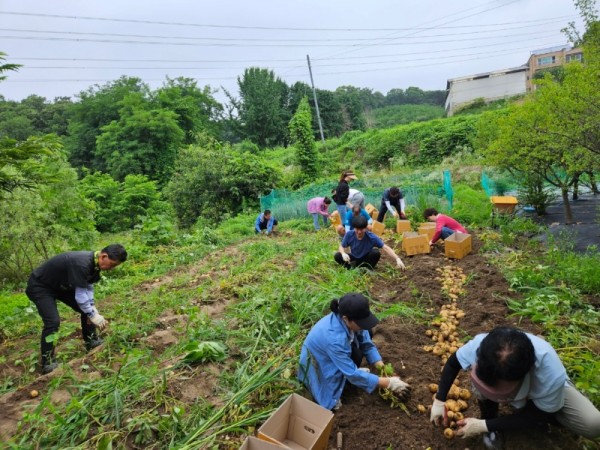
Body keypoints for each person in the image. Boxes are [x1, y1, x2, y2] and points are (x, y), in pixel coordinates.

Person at [430, 327, 600, 448]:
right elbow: (453, 363)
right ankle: (490, 414)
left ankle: (555, 402)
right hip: (516, 388)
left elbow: (537, 415)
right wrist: (440, 400)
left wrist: (485, 426)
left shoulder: (549, 373)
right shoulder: (483, 346)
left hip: (540, 394)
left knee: (593, 424)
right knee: (492, 398)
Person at [26, 244, 128, 374]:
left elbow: (88, 287)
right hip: (41, 286)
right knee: (53, 322)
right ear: (104, 256)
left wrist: (92, 309)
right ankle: (47, 362)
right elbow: (80, 296)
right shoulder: (82, 264)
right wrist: (92, 314)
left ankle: (91, 340)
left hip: (60, 285)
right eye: (112, 264)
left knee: (87, 310)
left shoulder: (96, 264)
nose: (112, 268)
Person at [298, 293, 411, 410]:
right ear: (346, 319)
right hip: (318, 366)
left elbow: (367, 344)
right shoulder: (334, 339)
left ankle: (351, 375)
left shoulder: (352, 320)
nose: (364, 326)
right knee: (333, 399)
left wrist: (382, 368)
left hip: (334, 354)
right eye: (361, 323)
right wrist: (388, 383)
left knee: (364, 340)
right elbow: (351, 373)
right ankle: (336, 386)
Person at [334, 216, 406, 270]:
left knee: (375, 252)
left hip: (366, 258)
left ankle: (369, 268)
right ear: (354, 228)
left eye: (362, 229)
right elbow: (341, 246)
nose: (359, 232)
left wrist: (397, 259)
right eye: (357, 229)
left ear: (365, 228)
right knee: (337, 255)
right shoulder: (349, 234)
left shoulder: (371, 237)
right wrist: (343, 253)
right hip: (354, 257)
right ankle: (350, 268)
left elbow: (385, 247)